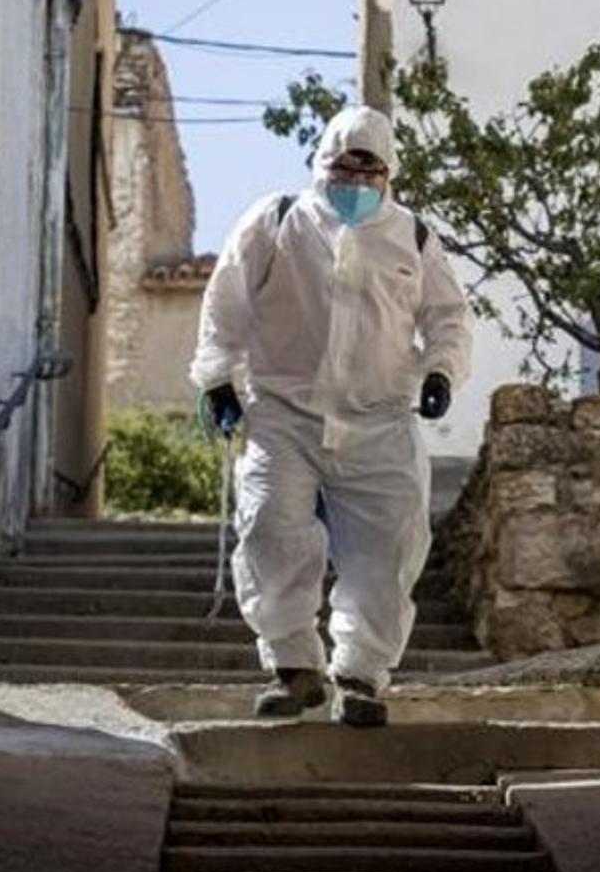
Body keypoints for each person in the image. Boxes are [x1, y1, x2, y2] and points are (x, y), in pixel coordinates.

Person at [190, 104, 472, 727]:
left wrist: (440, 373)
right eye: (344, 168)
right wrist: (216, 378)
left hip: (379, 419)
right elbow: (226, 303)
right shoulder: (276, 221)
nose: (354, 182)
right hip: (282, 414)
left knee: (388, 544)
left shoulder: (414, 236)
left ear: (389, 174)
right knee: (269, 527)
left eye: (368, 171)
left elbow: (447, 317)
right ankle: (294, 669)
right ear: (321, 164)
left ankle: (361, 677)